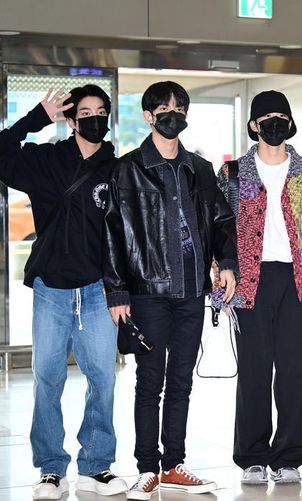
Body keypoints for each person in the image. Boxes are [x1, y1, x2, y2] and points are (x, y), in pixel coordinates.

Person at [103, 81, 237, 500]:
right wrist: (117, 291)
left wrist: (227, 262)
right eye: (163, 108)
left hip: (191, 292)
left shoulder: (199, 167)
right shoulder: (127, 168)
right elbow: (112, 233)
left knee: (181, 381)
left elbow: (220, 221)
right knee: (150, 382)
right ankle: (146, 467)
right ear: (148, 116)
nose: (172, 113)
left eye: (179, 107)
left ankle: (174, 464)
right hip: (148, 291)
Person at [0, 86, 127, 500]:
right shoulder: (45, 160)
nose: (94, 119)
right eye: (85, 113)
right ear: (71, 121)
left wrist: (121, 289)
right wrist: (36, 116)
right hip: (51, 287)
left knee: (103, 379)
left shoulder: (118, 169)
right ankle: (51, 468)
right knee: (47, 379)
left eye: (101, 111)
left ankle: (96, 466)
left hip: (97, 289)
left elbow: (127, 236)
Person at [210, 90, 302, 485]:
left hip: (297, 278)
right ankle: (251, 455)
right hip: (250, 278)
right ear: (253, 125)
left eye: (281, 115)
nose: (274, 122)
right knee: (254, 368)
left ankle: (288, 457)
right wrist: (220, 279)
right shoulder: (234, 173)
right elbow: (220, 230)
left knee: (293, 369)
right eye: (266, 117)